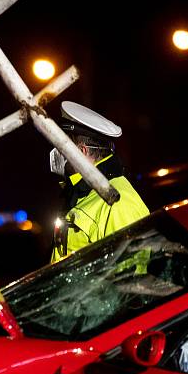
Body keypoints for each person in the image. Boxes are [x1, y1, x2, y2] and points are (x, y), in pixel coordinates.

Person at [49, 101, 149, 262]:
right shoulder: (82, 192)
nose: (56, 153)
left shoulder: (117, 202)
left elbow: (130, 275)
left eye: (61, 146)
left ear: (81, 151)